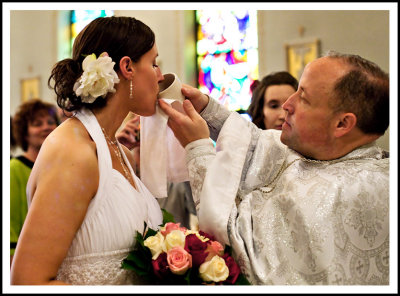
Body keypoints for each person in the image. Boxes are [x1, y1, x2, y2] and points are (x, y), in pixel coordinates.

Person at [159, 51, 389, 285]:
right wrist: (207, 110)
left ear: (342, 123)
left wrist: (197, 147)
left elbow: (239, 245)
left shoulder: (352, 191)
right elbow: (260, 145)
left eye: (304, 98)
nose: (288, 105)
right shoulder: (330, 153)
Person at [11, 16, 164, 285]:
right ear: (127, 66)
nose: (160, 76)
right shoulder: (73, 152)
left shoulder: (118, 151)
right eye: (153, 63)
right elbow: (28, 281)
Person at [10, 99, 59, 266]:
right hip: (27, 260)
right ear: (25, 133)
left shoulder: (60, 167)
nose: (46, 127)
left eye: (51, 122)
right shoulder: (14, 169)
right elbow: (9, 223)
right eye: (37, 124)